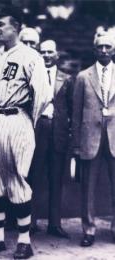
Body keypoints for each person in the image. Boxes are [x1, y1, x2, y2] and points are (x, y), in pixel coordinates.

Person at [0, 7, 51, 259]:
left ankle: (24, 242)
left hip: (16, 118)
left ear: (15, 27)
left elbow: (43, 95)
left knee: (17, 180)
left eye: (1, 25)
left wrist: (27, 121)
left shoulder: (31, 56)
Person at [72, 33, 115, 247]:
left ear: (114, 50)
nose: (104, 50)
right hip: (91, 139)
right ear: (94, 51)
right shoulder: (83, 77)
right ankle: (88, 230)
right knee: (88, 188)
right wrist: (77, 145)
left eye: (108, 47)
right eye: (101, 47)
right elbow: (77, 112)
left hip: (114, 138)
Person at [29, 39, 73, 238]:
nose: (46, 55)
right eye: (43, 52)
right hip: (37, 130)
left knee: (56, 179)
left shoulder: (67, 79)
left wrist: (68, 130)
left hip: (58, 131)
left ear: (57, 55)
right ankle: (30, 222)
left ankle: (55, 224)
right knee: (34, 177)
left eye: (50, 52)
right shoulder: (31, 77)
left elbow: (71, 109)